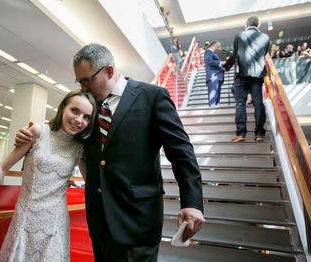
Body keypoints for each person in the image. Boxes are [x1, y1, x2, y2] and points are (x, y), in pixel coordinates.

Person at [16, 43, 204, 261]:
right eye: (79, 81)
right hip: (100, 224)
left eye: (87, 80)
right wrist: (32, 135)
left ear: (110, 71)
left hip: (137, 222)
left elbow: (181, 151)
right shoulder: (89, 109)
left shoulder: (152, 97)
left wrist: (191, 202)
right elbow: (64, 135)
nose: (83, 87)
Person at [0, 90, 96, 262]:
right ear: (63, 108)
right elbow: (2, 167)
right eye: (75, 110)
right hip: (26, 220)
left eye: (86, 117)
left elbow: (91, 185)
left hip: (56, 224)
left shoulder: (80, 148)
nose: (79, 120)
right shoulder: (38, 132)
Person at [232, 16, 269, 142]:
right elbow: (264, 53)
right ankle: (259, 134)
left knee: (240, 103)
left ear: (247, 24)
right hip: (257, 75)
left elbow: (235, 54)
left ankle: (241, 134)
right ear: (258, 25)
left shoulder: (239, 35)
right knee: (258, 103)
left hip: (241, 73)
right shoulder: (265, 37)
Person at [204, 41, 226, 106]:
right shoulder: (208, 51)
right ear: (213, 46)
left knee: (217, 97)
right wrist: (220, 63)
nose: (218, 49)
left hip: (218, 77)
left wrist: (223, 69)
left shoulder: (213, 53)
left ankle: (216, 109)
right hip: (213, 77)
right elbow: (209, 61)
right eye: (217, 47)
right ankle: (212, 111)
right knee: (213, 97)